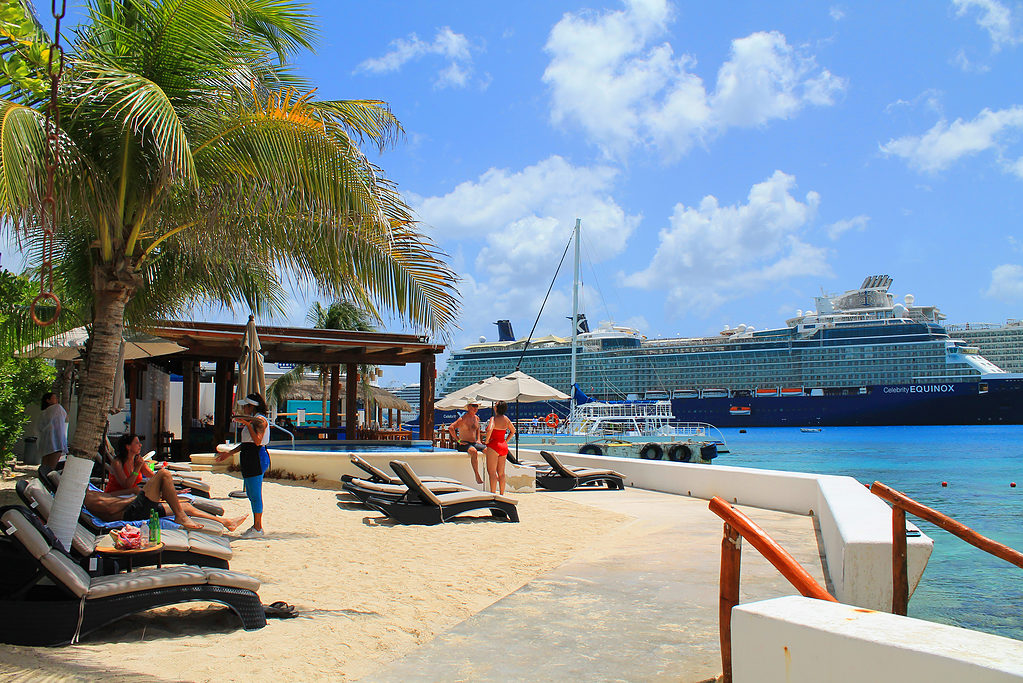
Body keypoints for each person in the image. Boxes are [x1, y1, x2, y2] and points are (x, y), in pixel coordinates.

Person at [85, 468, 247, 531]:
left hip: (133, 505)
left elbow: (110, 496)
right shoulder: (87, 498)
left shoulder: (90, 491)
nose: (140, 445)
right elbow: (110, 509)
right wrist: (136, 496)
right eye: (136, 443)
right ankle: (180, 516)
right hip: (129, 512)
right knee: (164, 474)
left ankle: (227, 522)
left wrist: (136, 490)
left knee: (186, 507)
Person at [216, 393, 270, 538]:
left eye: (245, 406)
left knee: (255, 494)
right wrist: (229, 453)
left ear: (251, 407)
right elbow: (246, 443)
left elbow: (257, 441)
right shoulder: (253, 421)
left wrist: (247, 425)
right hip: (249, 456)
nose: (244, 409)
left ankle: (258, 527)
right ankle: (256, 526)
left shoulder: (259, 421)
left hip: (256, 457)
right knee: (252, 494)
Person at [483, 400, 516, 496]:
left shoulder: (493, 418)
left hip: (494, 445)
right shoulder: (506, 419)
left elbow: (490, 429)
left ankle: (493, 494)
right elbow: (513, 431)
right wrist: (506, 441)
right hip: (503, 445)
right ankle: (502, 494)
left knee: (492, 472)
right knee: (501, 473)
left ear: (496, 408)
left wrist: (487, 440)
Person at [448, 403, 485, 484]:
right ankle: (477, 475)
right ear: (468, 407)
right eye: (474, 406)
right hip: (464, 444)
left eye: (477, 406)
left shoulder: (476, 418)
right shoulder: (463, 418)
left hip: (474, 442)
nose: (476, 408)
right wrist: (458, 440)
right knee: (473, 451)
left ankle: (491, 472)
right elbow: (451, 428)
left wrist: (478, 439)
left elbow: (478, 428)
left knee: (488, 450)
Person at [37, 392, 68, 469]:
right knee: (51, 467)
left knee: (44, 465)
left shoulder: (43, 413)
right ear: (48, 400)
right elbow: (65, 418)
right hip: (56, 441)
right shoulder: (57, 408)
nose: (57, 399)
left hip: (45, 441)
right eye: (54, 398)